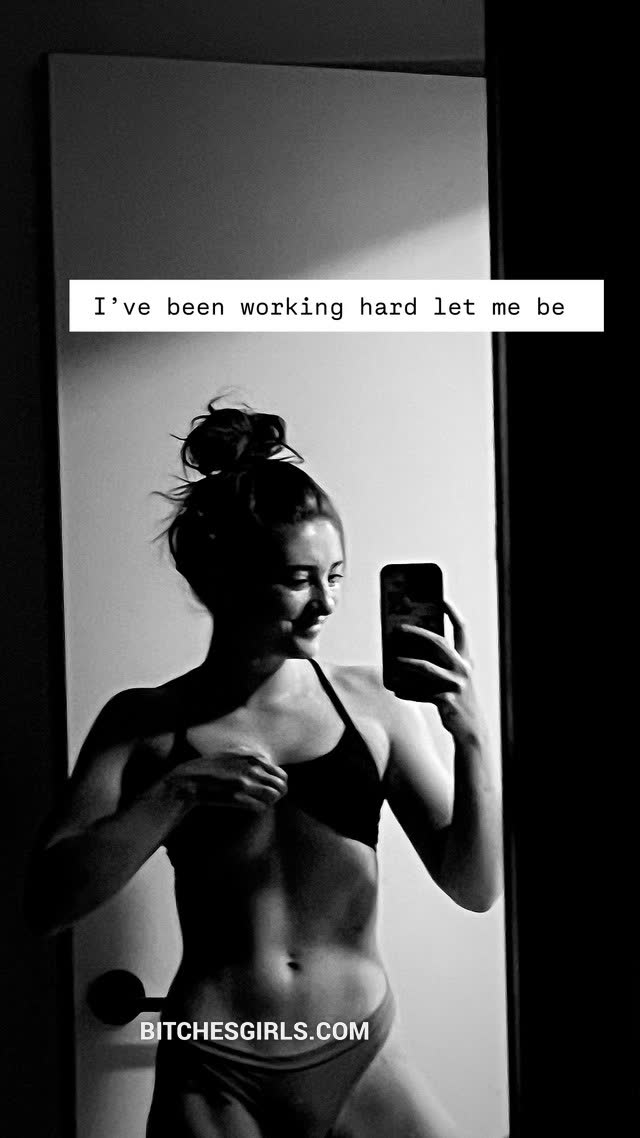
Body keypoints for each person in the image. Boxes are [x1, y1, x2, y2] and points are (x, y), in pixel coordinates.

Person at [26, 401, 503, 1138]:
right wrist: (176, 793)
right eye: (298, 578)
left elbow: (475, 888)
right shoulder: (143, 722)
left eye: (336, 575)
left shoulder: (376, 708)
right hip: (212, 1070)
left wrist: (471, 736)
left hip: (358, 1052)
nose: (326, 603)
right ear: (220, 579)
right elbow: (45, 904)